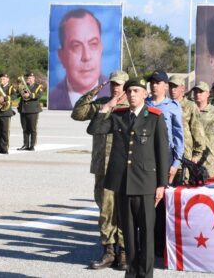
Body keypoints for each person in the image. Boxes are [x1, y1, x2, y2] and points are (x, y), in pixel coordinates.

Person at [87, 77, 169, 278]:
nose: (132, 94)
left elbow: (162, 153)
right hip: (123, 184)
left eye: (136, 91)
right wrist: (106, 107)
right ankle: (131, 273)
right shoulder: (118, 116)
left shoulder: (155, 117)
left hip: (145, 184)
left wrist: (162, 184)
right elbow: (94, 129)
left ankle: (146, 274)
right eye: (129, 91)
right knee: (129, 234)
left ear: (144, 94)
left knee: (147, 235)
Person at [71, 70, 129, 270]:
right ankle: (108, 251)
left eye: (119, 84)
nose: (116, 88)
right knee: (105, 210)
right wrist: (93, 94)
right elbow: (77, 114)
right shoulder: (100, 104)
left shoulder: (131, 106)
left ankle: (123, 251)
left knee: (122, 210)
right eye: (113, 84)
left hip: (122, 167)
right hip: (102, 167)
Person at [144, 70, 183, 257]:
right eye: (151, 82)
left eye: (158, 82)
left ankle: (160, 245)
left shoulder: (172, 106)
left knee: (162, 202)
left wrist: (175, 163)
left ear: (165, 85)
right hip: (144, 157)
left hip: (164, 157)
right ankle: (146, 242)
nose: (154, 85)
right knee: (146, 200)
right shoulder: (144, 104)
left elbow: (178, 137)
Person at [50, 8, 108, 110]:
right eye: (76, 46)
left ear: (101, 49)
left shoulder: (114, 95)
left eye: (93, 44)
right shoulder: (53, 99)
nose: (86, 57)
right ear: (62, 56)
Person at [167, 74, 207, 177]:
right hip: (167, 154)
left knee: (183, 184)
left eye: (175, 86)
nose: (173, 90)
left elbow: (197, 131)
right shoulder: (165, 105)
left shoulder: (190, 106)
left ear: (182, 88)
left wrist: (197, 154)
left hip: (185, 155)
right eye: (171, 86)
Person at [18, 73, 43, 151]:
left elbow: (39, 95)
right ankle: (25, 144)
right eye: (27, 78)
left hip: (33, 110)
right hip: (23, 109)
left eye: (30, 78)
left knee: (32, 128)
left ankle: (32, 145)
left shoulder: (38, 86)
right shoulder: (23, 86)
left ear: (33, 78)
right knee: (25, 128)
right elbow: (17, 95)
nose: (29, 79)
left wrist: (29, 95)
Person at [0, 74, 15, 154]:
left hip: (6, 112)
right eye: (1, 79)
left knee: (5, 131)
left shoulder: (11, 87)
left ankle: (5, 148)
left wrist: (5, 98)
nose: (2, 80)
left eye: (4, 79)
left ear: (8, 79)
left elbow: (15, 96)